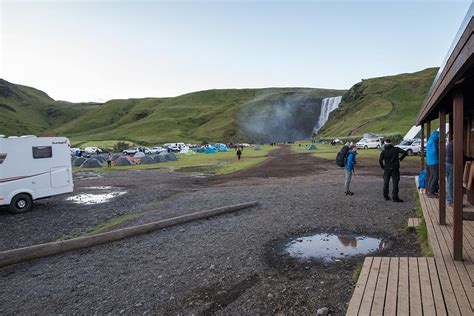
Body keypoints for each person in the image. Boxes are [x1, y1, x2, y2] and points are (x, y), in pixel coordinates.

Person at [426, 131, 440, 198]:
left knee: (432, 176)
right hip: (434, 162)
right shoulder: (433, 142)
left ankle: (430, 190)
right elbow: (435, 152)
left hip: (430, 162)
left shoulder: (429, 141)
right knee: (435, 177)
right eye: (438, 136)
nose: (439, 138)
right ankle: (431, 192)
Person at [446, 139, 453, 206]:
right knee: (451, 184)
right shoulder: (455, 145)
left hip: (447, 164)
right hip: (451, 165)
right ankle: (450, 201)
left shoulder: (450, 144)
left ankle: (449, 199)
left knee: (449, 183)